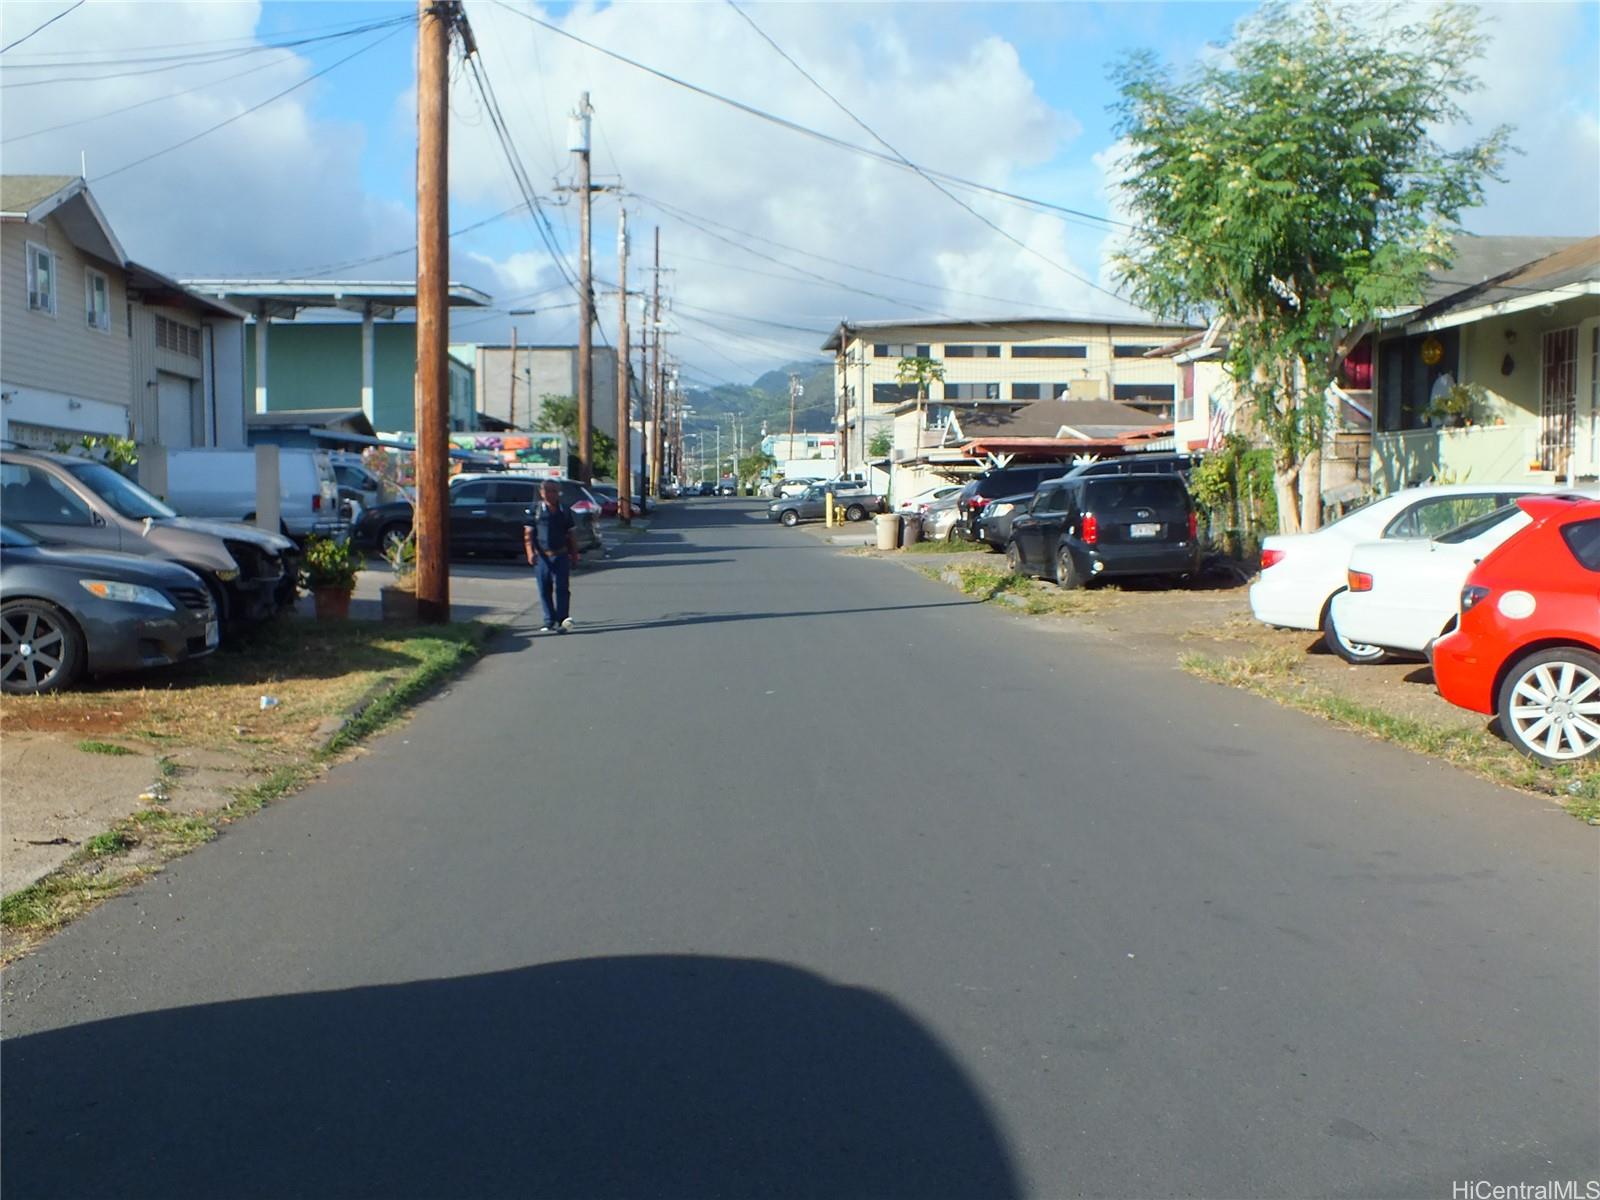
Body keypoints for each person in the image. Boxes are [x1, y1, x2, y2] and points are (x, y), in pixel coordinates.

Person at [524, 480, 579, 632]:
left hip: (561, 555)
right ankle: (549, 620)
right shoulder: (535, 510)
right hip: (542, 557)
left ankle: (562, 620)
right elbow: (528, 534)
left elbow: (571, 534)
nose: (550, 494)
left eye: (553, 491)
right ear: (541, 493)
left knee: (562, 588)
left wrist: (574, 554)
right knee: (544, 588)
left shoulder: (564, 510)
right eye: (547, 491)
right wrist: (530, 553)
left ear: (558, 493)